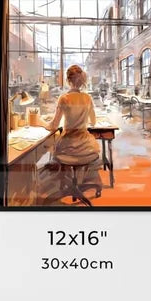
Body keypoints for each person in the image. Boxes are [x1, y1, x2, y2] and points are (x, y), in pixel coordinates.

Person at [45, 64, 102, 201]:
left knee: (52, 151)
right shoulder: (87, 98)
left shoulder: (64, 98)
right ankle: (78, 182)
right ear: (81, 80)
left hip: (68, 147)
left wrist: (40, 122)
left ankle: (67, 184)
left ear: (68, 80)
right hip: (86, 147)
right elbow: (93, 122)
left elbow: (53, 126)